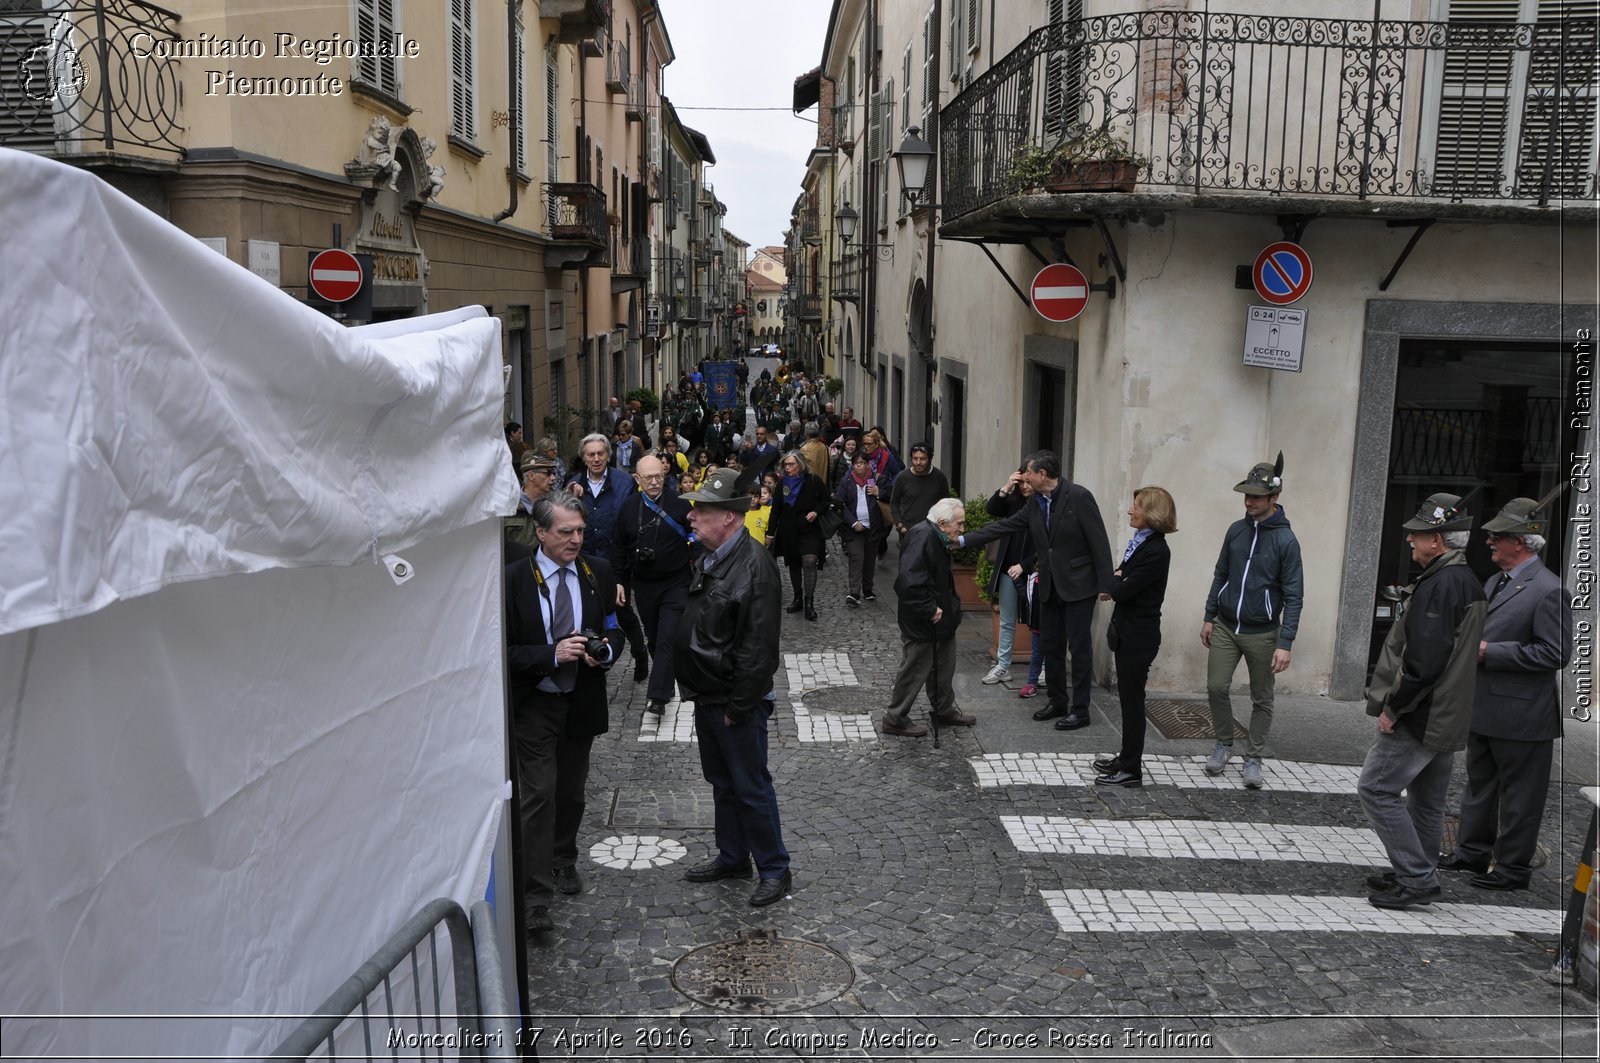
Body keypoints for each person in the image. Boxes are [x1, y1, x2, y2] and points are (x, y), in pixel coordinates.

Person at [1359, 492, 1487, 910]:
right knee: (1428, 802)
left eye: (1417, 534)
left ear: (1438, 539)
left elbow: (1425, 662)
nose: (1410, 540)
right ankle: (1418, 870)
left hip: (1424, 712)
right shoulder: (1465, 579)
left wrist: (1394, 707)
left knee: (1376, 789)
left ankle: (1415, 876)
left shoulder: (1443, 582)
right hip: (1445, 712)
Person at [504, 494, 623, 933]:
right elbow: (503, 650)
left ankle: (563, 858)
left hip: (581, 700)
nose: (576, 540)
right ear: (540, 532)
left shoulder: (598, 571)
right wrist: (551, 654)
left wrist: (605, 652)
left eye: (580, 531)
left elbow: (614, 628)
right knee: (538, 796)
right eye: (565, 532)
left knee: (571, 793)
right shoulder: (513, 579)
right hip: (534, 702)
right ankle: (535, 897)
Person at [672, 468, 791, 907]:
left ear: (729, 517)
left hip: (733, 701)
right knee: (723, 782)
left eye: (701, 510)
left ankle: (775, 868)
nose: (692, 517)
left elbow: (759, 652)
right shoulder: (716, 555)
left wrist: (739, 707)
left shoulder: (755, 568)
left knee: (750, 785)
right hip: (709, 695)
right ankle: (733, 856)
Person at [1439, 494, 1572, 890]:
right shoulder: (1496, 580)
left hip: (1525, 716)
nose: (1490, 542)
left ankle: (1513, 869)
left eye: (1498, 536)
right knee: (1480, 786)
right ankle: (1472, 854)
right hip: (1485, 707)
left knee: (1520, 798)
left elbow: (1555, 653)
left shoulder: (1549, 590)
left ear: (1520, 541)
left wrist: (1489, 651)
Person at [959, 450, 1113, 733]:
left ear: (1042, 474)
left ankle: (1080, 711)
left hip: (1079, 587)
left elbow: (1099, 542)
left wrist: (1106, 585)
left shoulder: (1079, 497)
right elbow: (1004, 525)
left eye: (1028, 472)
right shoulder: (1035, 503)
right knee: (1052, 646)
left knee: (1079, 649)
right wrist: (962, 540)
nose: (1024, 477)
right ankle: (1057, 702)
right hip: (1050, 585)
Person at [1200, 453, 1304, 789]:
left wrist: (1285, 643)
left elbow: (1294, 595)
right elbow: (1221, 575)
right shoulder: (1235, 531)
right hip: (1227, 626)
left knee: (1262, 697)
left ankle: (1254, 757)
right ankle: (1223, 744)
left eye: (1256, 496)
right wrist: (1209, 616)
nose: (1248, 502)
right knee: (1216, 686)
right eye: (1246, 495)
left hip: (1263, 632)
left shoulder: (1286, 541)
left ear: (1274, 498)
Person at [1093, 486, 1179, 788]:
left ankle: (1131, 769)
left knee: (1132, 704)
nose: (1131, 510)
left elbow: (1123, 589)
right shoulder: (1142, 543)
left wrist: (1117, 582)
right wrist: (1118, 579)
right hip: (1128, 632)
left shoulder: (1156, 551)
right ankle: (1125, 756)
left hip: (1138, 637)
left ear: (1152, 513)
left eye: (1137, 506)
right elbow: (1120, 578)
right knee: (1128, 702)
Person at [881, 498, 975, 738]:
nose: (962, 529)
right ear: (943, 523)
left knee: (943, 666)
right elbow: (908, 582)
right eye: (959, 524)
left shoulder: (936, 535)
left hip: (942, 617)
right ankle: (895, 718)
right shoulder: (924, 536)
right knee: (915, 668)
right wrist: (928, 608)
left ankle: (943, 709)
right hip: (925, 619)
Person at [611, 456, 696, 716]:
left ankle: (657, 696)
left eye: (658, 476)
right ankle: (665, 679)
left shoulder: (680, 505)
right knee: (656, 637)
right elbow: (619, 550)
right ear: (637, 479)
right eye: (648, 477)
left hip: (676, 582)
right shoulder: (628, 509)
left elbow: (696, 537)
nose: (654, 481)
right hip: (644, 586)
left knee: (669, 635)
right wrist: (619, 582)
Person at [566, 433, 651, 681]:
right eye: (590, 454)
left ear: (608, 455)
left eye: (600, 453)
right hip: (583, 560)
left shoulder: (624, 482)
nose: (596, 459)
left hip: (614, 562)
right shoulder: (573, 484)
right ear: (583, 457)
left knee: (622, 612)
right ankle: (589, 659)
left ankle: (640, 653)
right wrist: (570, 495)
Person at [980, 467, 1034, 686]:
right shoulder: (1013, 501)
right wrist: (1006, 486)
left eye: (1029, 482)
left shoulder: (1043, 505)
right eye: (1022, 482)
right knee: (1007, 619)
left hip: (1033, 570)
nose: (1026, 487)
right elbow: (991, 509)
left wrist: (1025, 565)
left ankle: (1042, 667)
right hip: (1007, 569)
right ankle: (1003, 665)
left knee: (1039, 621)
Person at [768, 451, 829, 621]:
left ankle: (809, 602)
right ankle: (798, 598)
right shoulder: (782, 485)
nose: (787, 468)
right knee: (794, 563)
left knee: (809, 561)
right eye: (785, 465)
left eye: (791, 464)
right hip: (789, 529)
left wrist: (816, 512)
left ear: (800, 464)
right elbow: (776, 510)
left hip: (810, 529)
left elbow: (826, 500)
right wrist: (770, 533)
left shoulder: (813, 480)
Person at [835, 450, 888, 606]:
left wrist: (880, 492)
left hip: (873, 527)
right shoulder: (847, 482)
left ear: (867, 465)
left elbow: (891, 495)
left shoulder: (877, 479)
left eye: (863, 463)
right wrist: (853, 522)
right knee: (856, 557)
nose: (860, 466)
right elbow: (840, 504)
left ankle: (867, 589)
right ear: (853, 465)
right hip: (854, 529)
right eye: (857, 463)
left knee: (870, 559)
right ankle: (854, 592)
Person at [890, 443, 951, 548]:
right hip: (909, 532)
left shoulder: (939, 477)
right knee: (910, 563)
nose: (918, 462)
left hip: (933, 532)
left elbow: (946, 504)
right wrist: (900, 525)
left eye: (923, 459)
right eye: (915, 458)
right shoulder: (903, 477)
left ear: (930, 458)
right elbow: (894, 502)